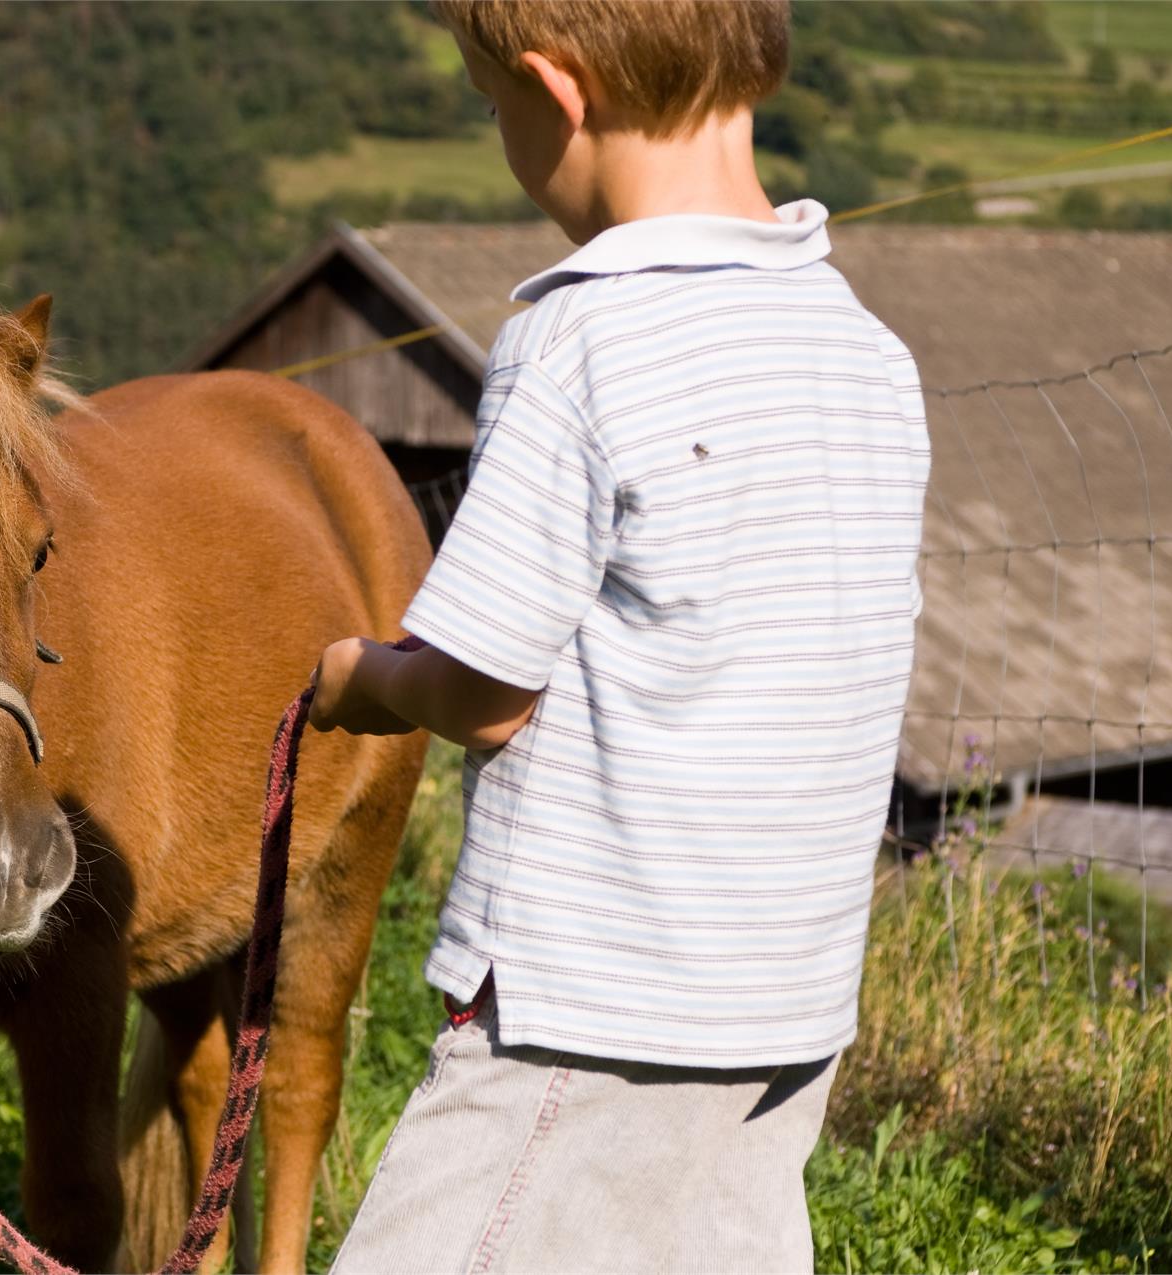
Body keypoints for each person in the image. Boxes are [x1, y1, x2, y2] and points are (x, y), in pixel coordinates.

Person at [306, 3, 931, 1270]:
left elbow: (485, 694)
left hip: (582, 997)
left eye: (493, 107)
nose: (501, 135)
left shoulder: (580, 339)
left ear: (556, 88)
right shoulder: (866, 355)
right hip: (789, 998)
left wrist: (361, 680)